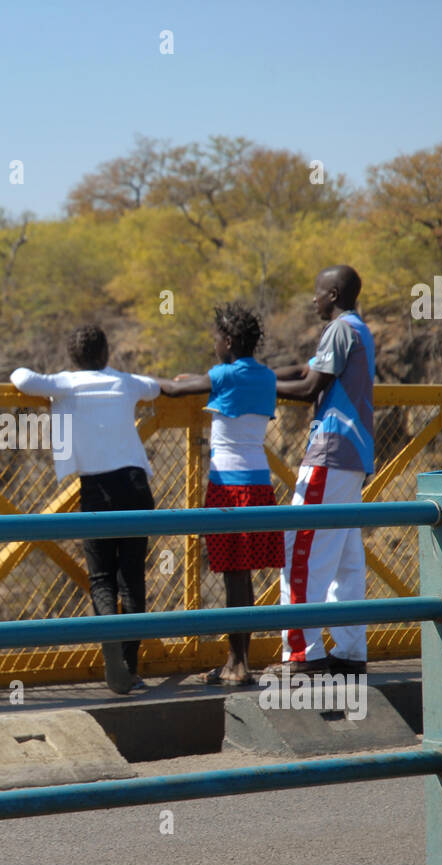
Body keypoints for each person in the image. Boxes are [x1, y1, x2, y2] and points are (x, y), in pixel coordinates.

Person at [11, 325, 161, 695]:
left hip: (98, 489)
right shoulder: (125, 382)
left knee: (102, 578)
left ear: (73, 358)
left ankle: (107, 635)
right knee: (133, 578)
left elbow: (22, 379)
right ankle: (130, 664)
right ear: (106, 352)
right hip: (136, 486)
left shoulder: (65, 384)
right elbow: (155, 387)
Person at [158, 302, 284, 686]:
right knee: (243, 578)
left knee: (233, 577)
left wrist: (137, 383)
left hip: (229, 486)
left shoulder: (222, 376)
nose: (213, 342)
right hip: (260, 485)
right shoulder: (264, 377)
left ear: (227, 341)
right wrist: (205, 377)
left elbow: (177, 389)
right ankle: (239, 659)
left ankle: (237, 664)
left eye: (216, 338)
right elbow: (231, 383)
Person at [272, 265, 374, 677]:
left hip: (330, 452)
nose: (312, 300)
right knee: (346, 557)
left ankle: (302, 653)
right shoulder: (357, 328)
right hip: (355, 455)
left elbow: (310, 386)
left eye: (316, 293)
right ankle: (350, 652)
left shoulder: (338, 330)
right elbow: (304, 371)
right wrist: (255, 375)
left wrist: (253, 388)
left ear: (332, 294)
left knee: (302, 548)